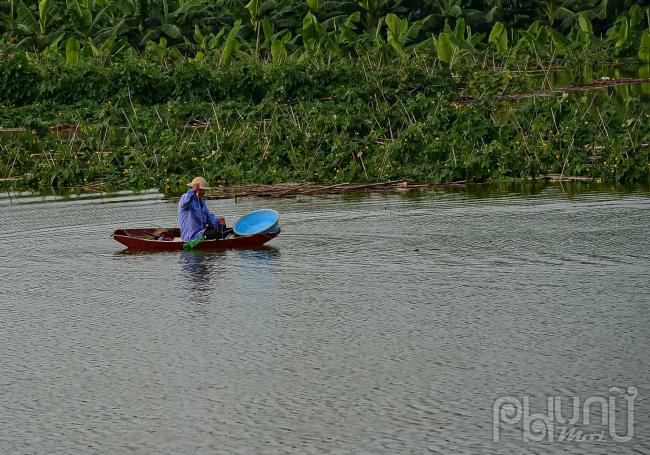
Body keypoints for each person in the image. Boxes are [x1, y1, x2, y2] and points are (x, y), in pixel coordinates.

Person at [178, 176, 226, 241]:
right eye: (200, 189)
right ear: (194, 189)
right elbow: (185, 202)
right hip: (191, 236)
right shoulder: (185, 198)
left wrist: (218, 221)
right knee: (217, 232)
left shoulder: (202, 201)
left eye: (203, 190)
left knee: (222, 227)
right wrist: (193, 191)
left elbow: (209, 217)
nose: (202, 192)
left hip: (202, 232)